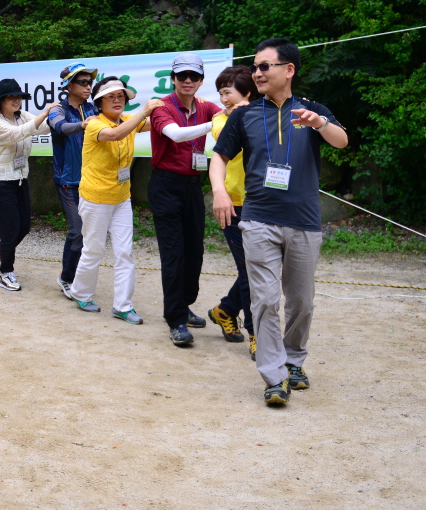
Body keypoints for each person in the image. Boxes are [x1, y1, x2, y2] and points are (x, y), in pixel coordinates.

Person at [211, 38, 348, 407]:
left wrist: (320, 123)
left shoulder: (312, 110)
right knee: (265, 300)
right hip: (258, 220)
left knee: (301, 301)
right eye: (254, 67)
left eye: (264, 66)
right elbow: (219, 157)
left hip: (304, 222)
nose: (256, 73)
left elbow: (341, 141)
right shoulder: (243, 115)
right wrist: (220, 192)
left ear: (289, 70)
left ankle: (294, 360)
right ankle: (274, 377)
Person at [69, 78, 162, 322]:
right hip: (95, 199)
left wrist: (187, 105)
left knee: (125, 252)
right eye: (111, 96)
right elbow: (114, 134)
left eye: (121, 96)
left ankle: (123, 305)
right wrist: (144, 112)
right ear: (99, 102)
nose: (117, 100)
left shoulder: (129, 120)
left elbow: (158, 122)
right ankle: (81, 293)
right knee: (94, 250)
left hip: (121, 198)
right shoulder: (94, 124)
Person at [147, 53, 222, 347]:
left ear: (201, 80)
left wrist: (236, 109)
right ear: (173, 79)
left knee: (194, 251)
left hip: (192, 186)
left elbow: (230, 114)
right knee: (173, 253)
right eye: (182, 76)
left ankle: (184, 304)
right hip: (165, 186)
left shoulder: (206, 107)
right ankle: (175, 319)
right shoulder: (161, 107)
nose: (187, 81)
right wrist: (213, 125)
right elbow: (176, 135)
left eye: (194, 76)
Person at [0, 78, 56, 292]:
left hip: (21, 178)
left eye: (19, 97)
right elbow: (18, 133)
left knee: (23, 227)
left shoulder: (23, 116)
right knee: (10, 228)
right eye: (11, 97)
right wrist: (45, 111)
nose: (16, 101)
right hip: (0, 181)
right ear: (1, 100)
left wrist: (58, 116)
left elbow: (43, 128)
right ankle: (6, 272)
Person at [206, 66, 261, 357]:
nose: (223, 99)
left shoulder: (264, 114)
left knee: (256, 268)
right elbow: (223, 136)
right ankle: (256, 333)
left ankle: (225, 310)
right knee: (250, 271)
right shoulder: (220, 118)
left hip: (262, 202)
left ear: (247, 92)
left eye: (228, 92)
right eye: (221, 93)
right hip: (232, 204)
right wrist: (237, 113)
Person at [48, 62, 99, 299]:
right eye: (83, 82)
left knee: (88, 231)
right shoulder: (58, 109)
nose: (89, 86)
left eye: (90, 82)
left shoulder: (92, 108)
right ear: (69, 85)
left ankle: (76, 275)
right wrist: (82, 124)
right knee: (77, 231)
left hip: (91, 179)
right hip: (67, 180)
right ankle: (66, 278)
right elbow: (59, 127)